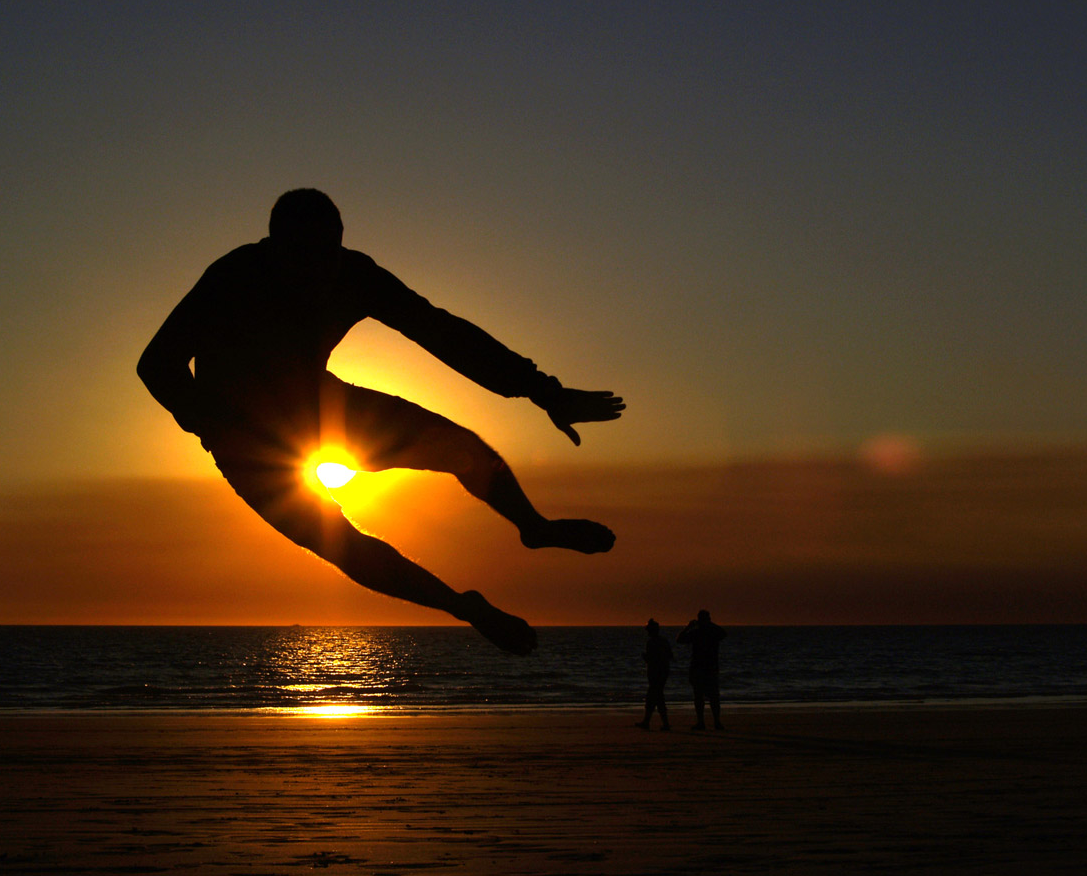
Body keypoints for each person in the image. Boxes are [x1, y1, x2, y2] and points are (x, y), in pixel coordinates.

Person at [137, 189, 625, 656]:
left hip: (318, 405)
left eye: (328, 252)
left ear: (340, 243)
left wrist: (543, 390)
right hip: (243, 439)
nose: (317, 270)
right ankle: (463, 606)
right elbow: (157, 363)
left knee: (460, 446)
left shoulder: (353, 274)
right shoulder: (233, 275)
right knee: (342, 544)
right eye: (302, 255)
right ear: (275, 248)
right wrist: (212, 424)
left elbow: (440, 331)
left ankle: (534, 527)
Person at [677, 609, 726, 730]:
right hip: (707, 667)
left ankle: (704, 722)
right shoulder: (710, 632)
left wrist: (688, 627)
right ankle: (714, 722)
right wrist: (709, 624)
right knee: (711, 697)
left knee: (701, 696)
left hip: (701, 667)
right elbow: (723, 633)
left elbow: (680, 639)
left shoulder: (697, 632)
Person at [636, 618, 673, 730]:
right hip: (663, 672)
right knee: (655, 697)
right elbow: (670, 656)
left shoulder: (652, 642)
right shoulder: (663, 641)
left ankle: (662, 723)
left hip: (655, 673)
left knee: (655, 697)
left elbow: (652, 659)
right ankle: (648, 721)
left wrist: (646, 658)